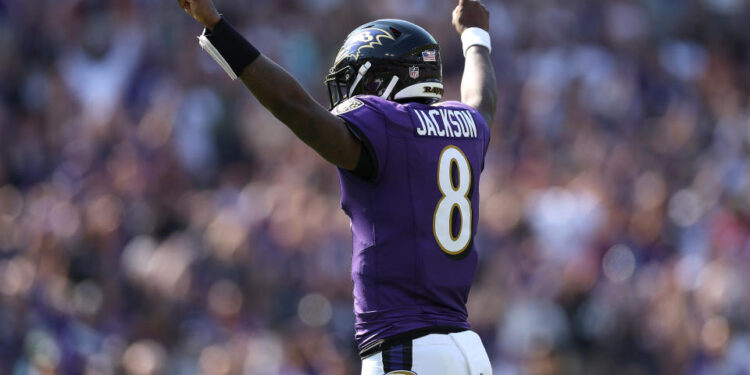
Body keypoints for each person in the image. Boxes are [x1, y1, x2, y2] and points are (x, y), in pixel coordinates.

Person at [176, 0, 497, 373]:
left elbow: (297, 108)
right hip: (469, 352)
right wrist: (476, 38)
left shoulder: (387, 125)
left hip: (406, 350)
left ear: (383, 79)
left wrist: (217, 26)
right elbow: (482, 100)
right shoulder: (465, 124)